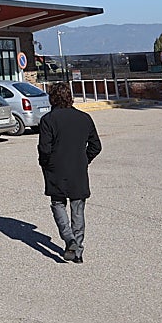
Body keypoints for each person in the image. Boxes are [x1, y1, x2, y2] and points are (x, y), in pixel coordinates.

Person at [37, 81, 102, 263]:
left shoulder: (48, 120)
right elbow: (96, 145)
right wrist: (84, 159)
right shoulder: (84, 118)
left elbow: (44, 148)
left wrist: (45, 164)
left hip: (56, 168)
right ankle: (78, 251)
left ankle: (69, 239)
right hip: (78, 168)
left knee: (58, 204)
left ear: (52, 98)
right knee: (78, 207)